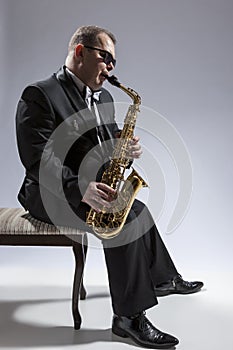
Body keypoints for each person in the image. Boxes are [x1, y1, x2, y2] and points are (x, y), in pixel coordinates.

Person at [15, 25, 203, 349]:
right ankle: (128, 318)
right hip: (47, 192)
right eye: (106, 58)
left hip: (87, 185)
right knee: (122, 219)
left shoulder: (103, 97)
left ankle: (162, 278)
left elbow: (104, 147)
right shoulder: (40, 93)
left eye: (114, 62)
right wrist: (77, 188)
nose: (112, 68)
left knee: (137, 208)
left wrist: (123, 151)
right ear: (80, 52)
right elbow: (36, 157)